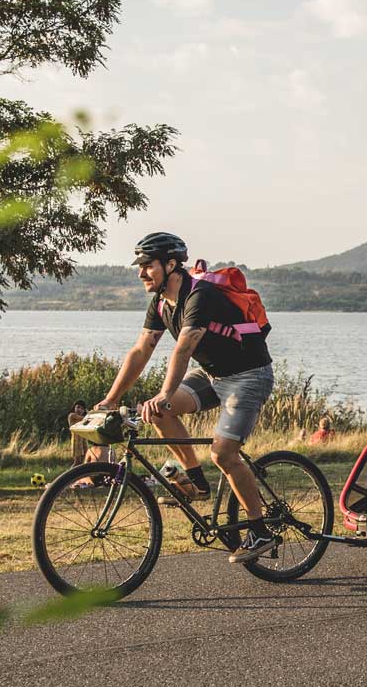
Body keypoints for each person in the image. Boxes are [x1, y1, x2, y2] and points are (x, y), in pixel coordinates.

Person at [98, 231, 280, 566]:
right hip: (214, 375)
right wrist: (110, 399)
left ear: (171, 264)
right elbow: (141, 350)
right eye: (139, 266)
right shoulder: (160, 303)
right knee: (159, 413)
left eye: (147, 266)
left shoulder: (200, 295)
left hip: (249, 375)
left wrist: (165, 393)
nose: (141, 273)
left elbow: (184, 347)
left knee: (224, 454)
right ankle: (196, 481)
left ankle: (261, 531)